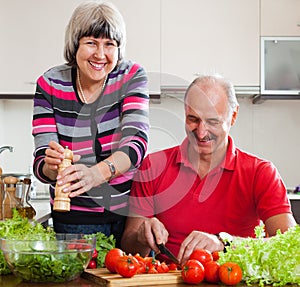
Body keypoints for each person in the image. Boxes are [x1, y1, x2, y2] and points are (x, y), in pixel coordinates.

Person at [121, 74, 296, 263]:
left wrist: (224, 243)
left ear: (234, 116)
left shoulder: (261, 172)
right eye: (193, 119)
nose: (202, 132)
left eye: (213, 121)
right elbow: (128, 247)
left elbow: (289, 245)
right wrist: (142, 234)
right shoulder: (153, 166)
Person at [32, 1, 149, 247]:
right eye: (91, 42)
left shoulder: (131, 77)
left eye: (110, 45)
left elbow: (136, 144)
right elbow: (41, 161)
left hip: (128, 214)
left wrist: (96, 174)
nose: (100, 54)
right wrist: (52, 167)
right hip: (74, 219)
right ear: (75, 44)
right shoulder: (50, 84)